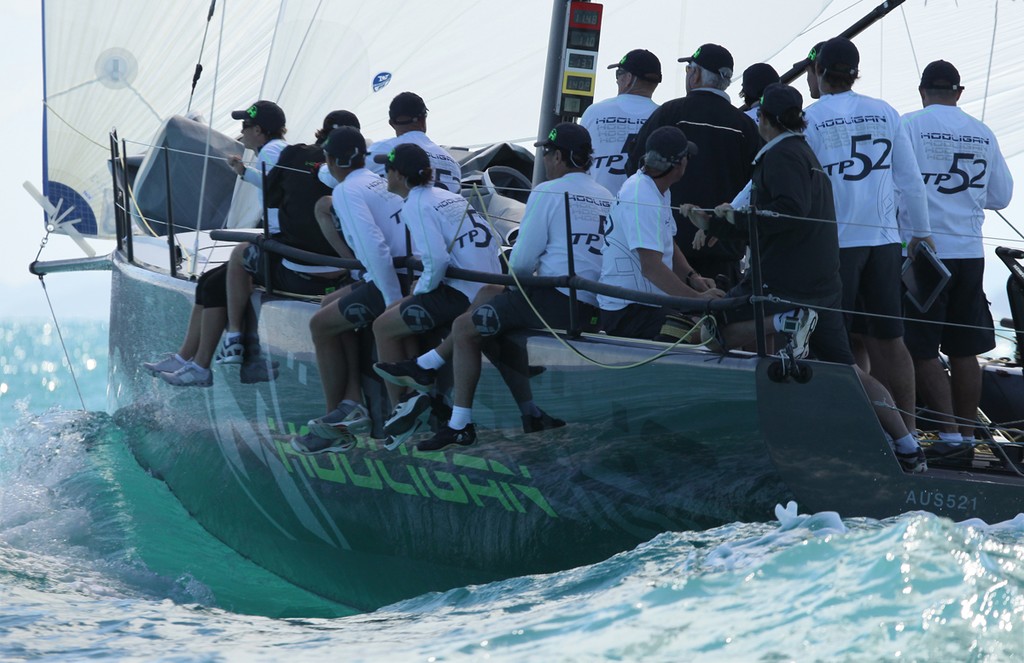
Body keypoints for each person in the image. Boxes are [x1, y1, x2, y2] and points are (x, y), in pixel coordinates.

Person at [687, 83, 927, 472]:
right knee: (846, 370)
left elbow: (787, 211)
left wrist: (724, 222)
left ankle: (784, 321)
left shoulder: (781, 157)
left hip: (786, 280)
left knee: (713, 333)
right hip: (823, 280)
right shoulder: (808, 156)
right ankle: (907, 445)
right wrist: (720, 219)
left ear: (763, 120)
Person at [414, 122, 612, 452]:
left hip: (557, 301)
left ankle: (457, 423)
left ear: (560, 156)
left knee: (465, 327)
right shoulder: (606, 195)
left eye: (547, 153)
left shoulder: (548, 192)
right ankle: (530, 413)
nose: (546, 160)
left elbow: (520, 264)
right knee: (488, 298)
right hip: (594, 304)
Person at [803, 37, 932, 433]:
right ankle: (906, 431)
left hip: (836, 245)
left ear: (820, 72)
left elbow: (796, 175)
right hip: (884, 243)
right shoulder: (885, 112)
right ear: (855, 74)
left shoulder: (811, 116)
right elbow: (910, 181)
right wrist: (921, 235)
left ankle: (848, 428)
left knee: (833, 341)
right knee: (891, 340)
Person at [900, 60, 1013, 461]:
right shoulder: (982, 132)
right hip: (969, 253)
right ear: (959, 93)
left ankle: (947, 434)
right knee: (966, 349)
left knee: (920, 348)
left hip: (925, 255)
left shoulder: (909, 124)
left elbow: (893, 182)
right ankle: (968, 435)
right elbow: (1001, 196)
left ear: (921, 91)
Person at [369, 143, 501, 446]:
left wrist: (421, 287)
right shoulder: (447, 195)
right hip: (485, 286)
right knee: (398, 308)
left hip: (463, 293)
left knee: (382, 326)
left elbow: (437, 261)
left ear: (400, 177)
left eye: (387, 170)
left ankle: (399, 412)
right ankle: (418, 385)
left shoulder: (415, 204)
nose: (384, 175)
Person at [151, 100, 290, 387]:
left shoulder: (270, 154)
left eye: (245, 127)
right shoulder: (277, 152)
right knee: (208, 281)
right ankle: (184, 358)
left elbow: (277, 188)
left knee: (213, 284)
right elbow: (273, 184)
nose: (242, 132)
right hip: (281, 245)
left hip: (282, 250)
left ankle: (199, 366)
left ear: (259, 131)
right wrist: (243, 172)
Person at [291, 127, 406, 454]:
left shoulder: (346, 193)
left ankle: (334, 425)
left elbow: (375, 250)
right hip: (401, 272)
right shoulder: (376, 179)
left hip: (394, 279)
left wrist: (393, 303)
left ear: (329, 160)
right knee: (329, 303)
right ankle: (352, 400)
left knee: (320, 325)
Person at [626, 43, 761, 288]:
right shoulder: (746, 126)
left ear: (695, 74)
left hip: (669, 252)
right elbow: (758, 184)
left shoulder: (670, 113)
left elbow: (636, 168)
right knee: (719, 323)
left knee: (674, 323)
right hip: (724, 251)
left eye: (689, 69)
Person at [598, 126, 723, 339]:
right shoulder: (642, 196)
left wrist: (693, 277)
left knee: (714, 325)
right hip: (628, 310)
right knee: (705, 334)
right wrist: (698, 300)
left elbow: (667, 242)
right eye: (687, 157)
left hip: (647, 303)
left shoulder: (656, 188)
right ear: (678, 164)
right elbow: (652, 268)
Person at [580, 49, 661, 195]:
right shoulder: (663, 116)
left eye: (619, 74)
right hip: (643, 207)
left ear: (629, 78)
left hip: (598, 205)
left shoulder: (595, 112)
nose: (617, 80)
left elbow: (578, 161)